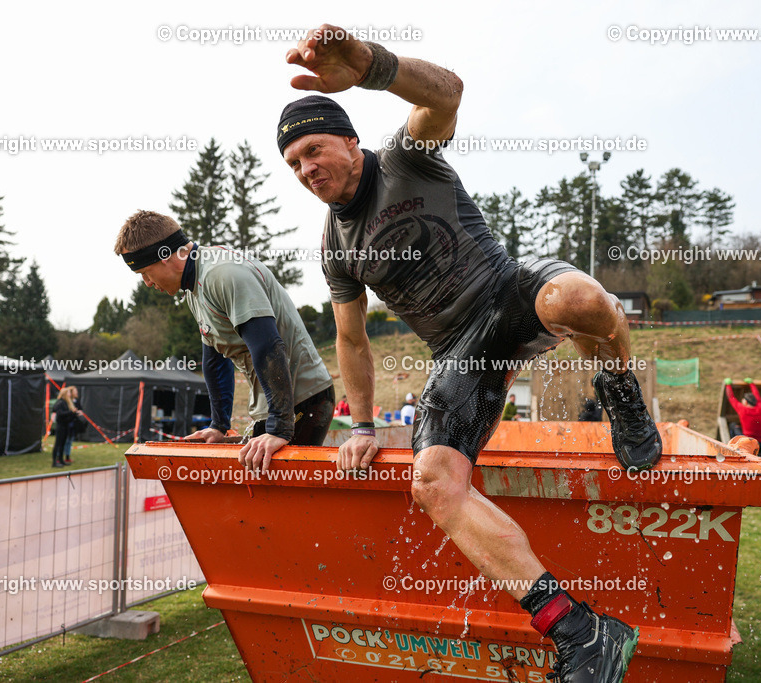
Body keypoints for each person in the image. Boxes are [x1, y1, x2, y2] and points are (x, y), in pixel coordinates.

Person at [277, 25, 662, 682]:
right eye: (294, 165)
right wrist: (363, 424)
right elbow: (350, 337)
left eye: (315, 150)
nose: (308, 170)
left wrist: (371, 65)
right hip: (459, 352)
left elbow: (447, 94)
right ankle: (580, 630)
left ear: (349, 139)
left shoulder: (406, 158)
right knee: (431, 482)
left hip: (508, 291)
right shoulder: (335, 245)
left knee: (584, 302)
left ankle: (623, 393)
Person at [114, 211, 335, 467]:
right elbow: (215, 361)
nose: (147, 283)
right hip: (281, 406)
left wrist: (279, 428)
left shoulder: (223, 274)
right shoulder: (195, 286)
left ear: (164, 256)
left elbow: (267, 347)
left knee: (277, 499)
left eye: (145, 272)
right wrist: (218, 425)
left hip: (303, 401)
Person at [724, 377, 761, 457]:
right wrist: (751, 384)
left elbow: (731, 397)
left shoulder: (742, 409)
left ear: (746, 402)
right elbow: (757, 396)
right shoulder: (760, 408)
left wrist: (728, 385)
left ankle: (733, 446)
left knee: (733, 426)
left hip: (749, 443)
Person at [52, 386, 83, 467]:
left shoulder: (67, 403)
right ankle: (54, 462)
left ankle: (61, 460)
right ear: (65, 394)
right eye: (69, 392)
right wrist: (71, 412)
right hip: (60, 426)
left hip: (66, 426)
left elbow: (68, 414)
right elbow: (60, 414)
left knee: (62, 444)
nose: (70, 394)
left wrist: (75, 413)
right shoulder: (60, 403)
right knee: (58, 444)